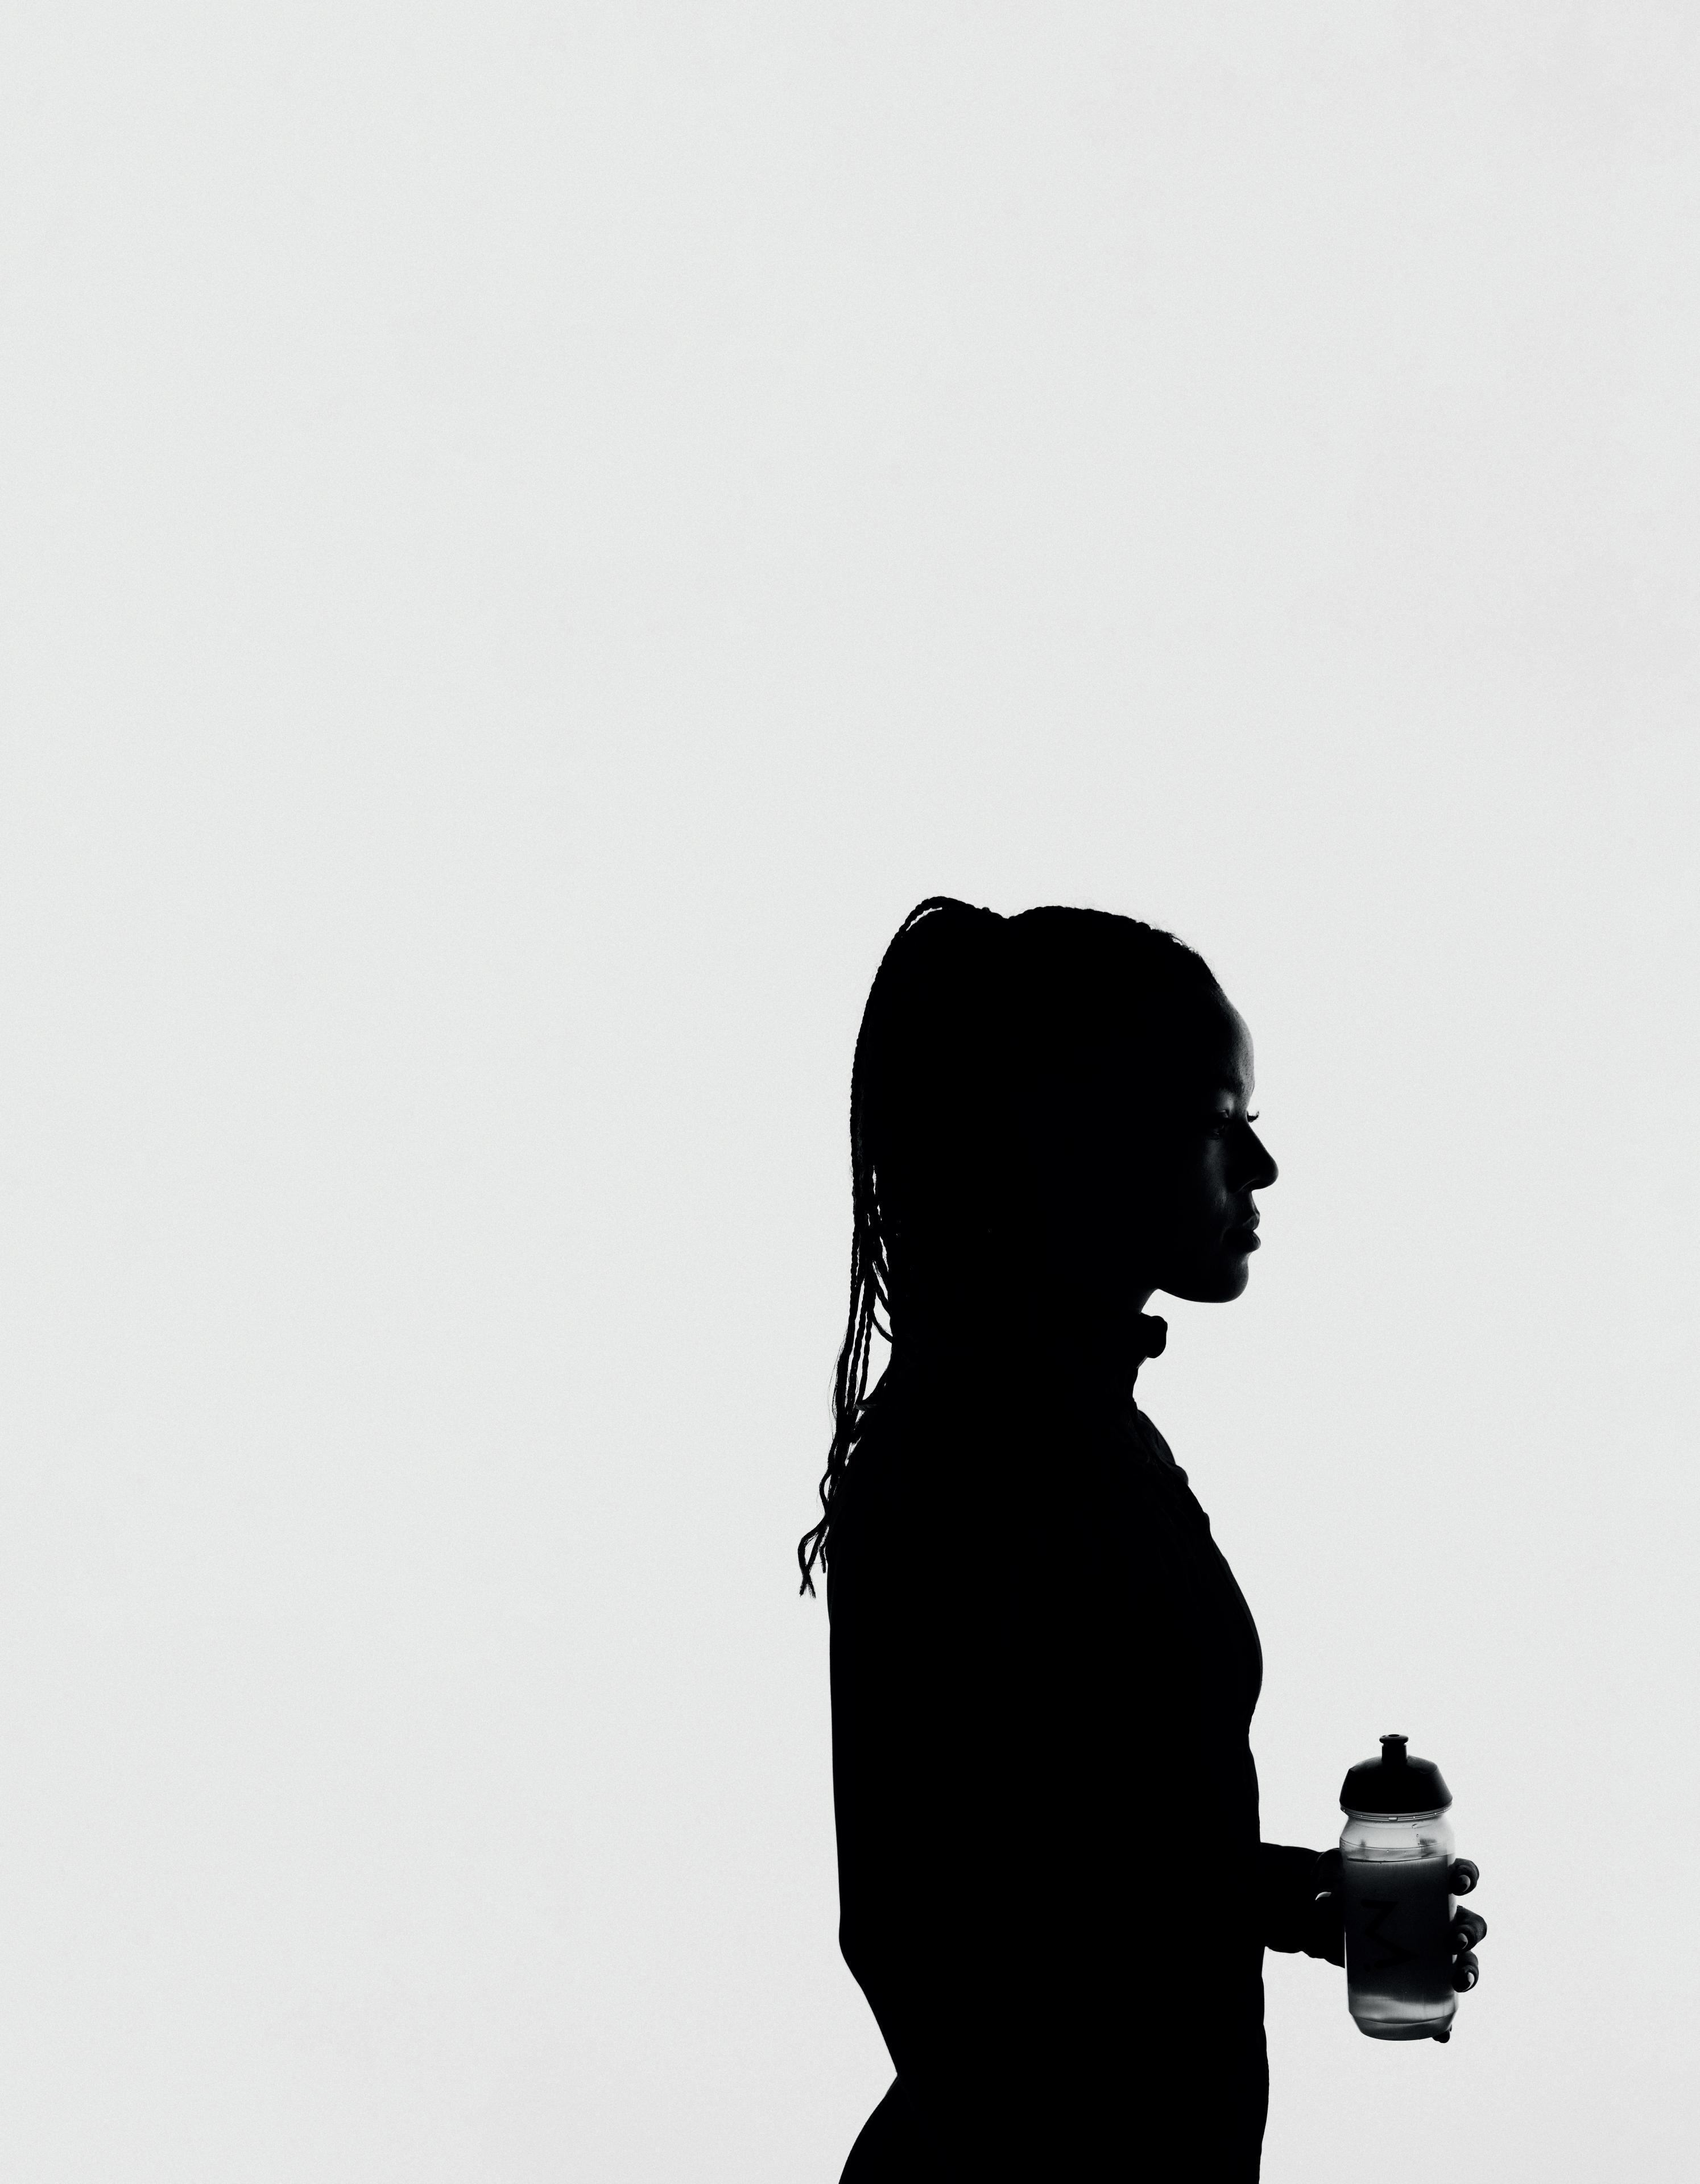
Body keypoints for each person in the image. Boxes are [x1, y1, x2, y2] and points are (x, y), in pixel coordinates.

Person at [800, 899, 1484, 2182]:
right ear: (1086, 1141)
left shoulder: (1081, 1428)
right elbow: (915, 1921)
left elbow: (1071, 1850)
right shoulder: (976, 1445)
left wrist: (1294, 1896)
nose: (1261, 1168)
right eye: (1222, 1124)